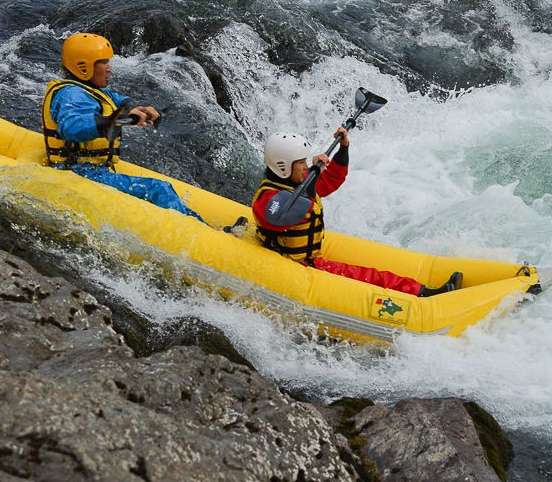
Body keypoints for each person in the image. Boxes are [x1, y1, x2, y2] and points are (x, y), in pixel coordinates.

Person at [252, 129, 461, 297]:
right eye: (300, 163)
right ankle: (423, 294)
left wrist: (343, 149)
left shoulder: (298, 181)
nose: (305, 166)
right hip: (295, 264)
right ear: (283, 167)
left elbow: (332, 180)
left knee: (372, 270)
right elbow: (283, 215)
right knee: (368, 277)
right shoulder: (268, 198)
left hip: (308, 257)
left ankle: (420, 288)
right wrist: (313, 176)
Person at [41, 32, 203, 221]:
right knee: (159, 189)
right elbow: (72, 126)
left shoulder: (93, 91)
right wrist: (112, 121)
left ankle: (208, 230)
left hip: (93, 171)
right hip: (78, 173)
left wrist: (138, 109)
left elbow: (120, 101)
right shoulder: (72, 94)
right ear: (83, 66)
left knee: (166, 193)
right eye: (103, 62)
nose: (109, 68)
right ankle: (196, 233)